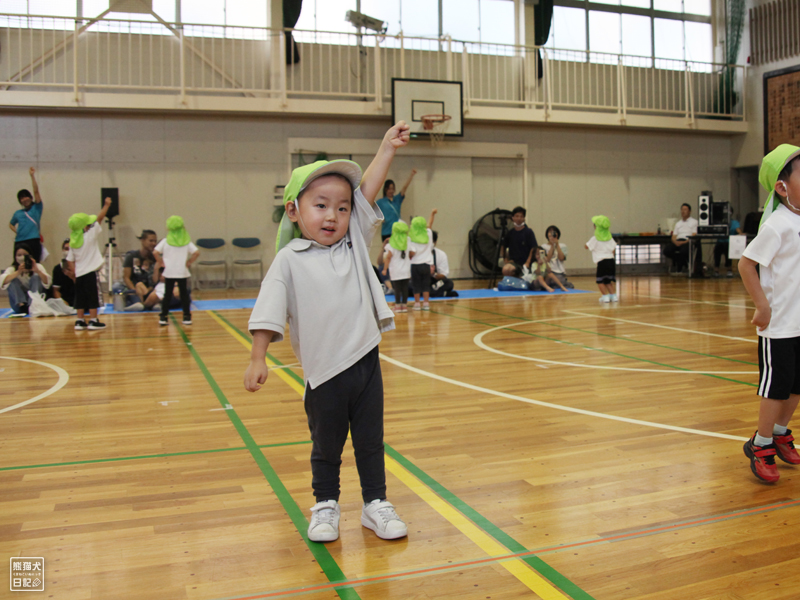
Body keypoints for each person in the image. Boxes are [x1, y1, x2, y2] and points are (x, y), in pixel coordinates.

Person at [244, 121, 411, 544]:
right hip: (323, 373)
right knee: (327, 446)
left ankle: (376, 504)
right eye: (321, 205)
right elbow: (269, 308)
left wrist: (386, 148)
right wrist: (258, 356)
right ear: (295, 211)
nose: (333, 216)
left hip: (366, 362)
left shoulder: (353, 242)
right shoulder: (289, 260)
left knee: (371, 441)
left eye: (341, 208)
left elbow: (367, 191)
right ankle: (325, 506)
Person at [738, 144, 800, 483]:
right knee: (776, 387)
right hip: (778, 326)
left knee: (796, 386)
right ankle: (760, 444)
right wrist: (762, 305)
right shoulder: (777, 224)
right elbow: (746, 264)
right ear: (782, 187)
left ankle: (778, 432)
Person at [66, 198, 113, 330]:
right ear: (84, 226)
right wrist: (106, 205)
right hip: (90, 273)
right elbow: (99, 218)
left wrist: (74, 273)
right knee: (93, 296)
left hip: (79, 273)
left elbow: (70, 260)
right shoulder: (89, 236)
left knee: (80, 297)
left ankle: (80, 321)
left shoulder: (73, 243)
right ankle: (93, 320)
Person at [153, 216, 199, 327]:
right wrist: (189, 262)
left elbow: (155, 252)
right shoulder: (186, 241)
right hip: (182, 272)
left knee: (167, 294)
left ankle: (163, 317)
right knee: (184, 295)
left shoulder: (165, 241)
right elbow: (196, 252)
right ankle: (187, 316)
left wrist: (161, 262)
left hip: (169, 272)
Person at [0, 244, 51, 315]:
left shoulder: (38, 266)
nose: (22, 257)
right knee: (11, 279)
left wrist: (37, 271)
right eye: (19, 255)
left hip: (35, 304)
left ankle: (31, 303)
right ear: (15, 257)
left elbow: (47, 283)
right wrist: (18, 272)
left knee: (36, 277)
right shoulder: (12, 269)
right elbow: (2, 281)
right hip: (18, 304)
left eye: (24, 255)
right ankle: (22, 304)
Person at [9, 167, 44, 262]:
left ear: (30, 197)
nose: (24, 199)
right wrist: (16, 231)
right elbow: (11, 224)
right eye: (22, 198)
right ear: (20, 201)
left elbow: (36, 191)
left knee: (35, 263)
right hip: (19, 241)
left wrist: (32, 176)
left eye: (26, 197)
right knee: (18, 264)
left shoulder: (37, 208)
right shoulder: (18, 213)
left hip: (33, 240)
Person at [120, 229, 159, 311]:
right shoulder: (131, 256)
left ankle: (150, 302)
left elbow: (156, 279)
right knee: (117, 287)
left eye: (155, 241)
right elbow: (126, 277)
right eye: (151, 241)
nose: (154, 244)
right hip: (135, 288)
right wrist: (135, 290)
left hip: (150, 289)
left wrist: (151, 290)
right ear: (142, 240)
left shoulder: (156, 257)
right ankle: (136, 302)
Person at [377, 169, 417, 241]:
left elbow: (404, 188)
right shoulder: (381, 202)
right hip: (386, 232)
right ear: (385, 189)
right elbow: (372, 211)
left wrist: (411, 176)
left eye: (392, 189)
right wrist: (380, 219)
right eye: (389, 189)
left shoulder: (397, 199)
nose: (391, 191)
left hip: (398, 231)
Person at [408, 209, 437, 311]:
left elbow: (411, 253)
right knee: (426, 284)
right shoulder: (428, 233)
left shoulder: (411, 238)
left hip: (415, 265)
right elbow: (430, 224)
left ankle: (417, 303)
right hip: (426, 264)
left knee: (416, 284)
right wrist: (432, 214)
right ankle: (426, 303)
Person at [586, 215, 618, 303]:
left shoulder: (595, 239)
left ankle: (605, 296)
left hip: (602, 262)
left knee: (600, 281)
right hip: (611, 261)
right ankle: (613, 296)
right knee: (608, 281)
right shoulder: (610, 238)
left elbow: (587, 246)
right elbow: (613, 249)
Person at [501, 206, 537, 278]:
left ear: (524, 218)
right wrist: (506, 259)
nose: (519, 218)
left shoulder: (528, 232)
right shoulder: (510, 233)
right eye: (517, 216)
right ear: (513, 218)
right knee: (505, 269)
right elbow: (503, 246)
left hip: (526, 264)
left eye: (521, 216)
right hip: (514, 263)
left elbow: (534, 248)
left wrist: (528, 262)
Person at [383, 221, 411, 312]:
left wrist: (384, 269)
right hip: (406, 269)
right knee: (405, 288)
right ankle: (404, 305)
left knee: (397, 288)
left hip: (396, 270)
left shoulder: (391, 243)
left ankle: (398, 306)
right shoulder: (408, 240)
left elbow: (388, 257)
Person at [663, 203, 699, 273]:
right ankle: (683, 263)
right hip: (678, 240)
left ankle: (680, 268)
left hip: (687, 241)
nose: (683, 211)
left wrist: (684, 242)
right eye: (682, 210)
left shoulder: (694, 222)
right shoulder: (678, 223)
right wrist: (675, 242)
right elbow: (674, 236)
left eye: (685, 210)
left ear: (690, 211)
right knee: (667, 250)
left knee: (683, 251)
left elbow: (694, 235)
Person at [712, 208, 742, 278]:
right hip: (720, 241)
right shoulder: (719, 222)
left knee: (727, 249)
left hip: (729, 242)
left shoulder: (734, 222)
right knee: (717, 250)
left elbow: (739, 231)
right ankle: (716, 270)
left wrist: (740, 233)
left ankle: (729, 270)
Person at [430, 230, 457, 298]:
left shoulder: (441, 255)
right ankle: (442, 294)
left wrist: (433, 274)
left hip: (434, 284)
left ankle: (428, 293)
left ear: (435, 242)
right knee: (409, 285)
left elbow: (444, 275)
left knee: (449, 283)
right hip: (420, 283)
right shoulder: (416, 254)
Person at [51, 239, 76, 307]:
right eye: (66, 249)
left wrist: (74, 277)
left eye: (70, 249)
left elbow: (82, 289)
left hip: (78, 299)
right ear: (62, 250)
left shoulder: (80, 267)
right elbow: (56, 290)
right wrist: (62, 302)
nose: (68, 251)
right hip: (63, 301)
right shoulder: (57, 269)